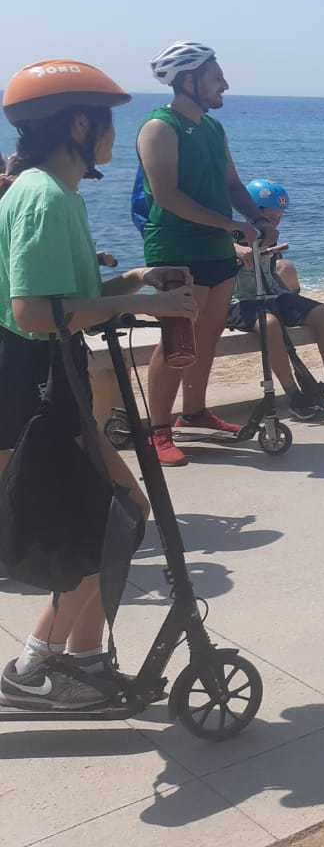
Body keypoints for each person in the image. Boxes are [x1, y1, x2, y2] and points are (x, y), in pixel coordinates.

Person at [0, 60, 198, 710]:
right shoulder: (44, 197)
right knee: (118, 515)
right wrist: (139, 304)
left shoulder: (51, 192)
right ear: (79, 126)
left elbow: (68, 296)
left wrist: (133, 281)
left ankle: (83, 659)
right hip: (43, 381)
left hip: (54, 375)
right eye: (108, 123)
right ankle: (34, 667)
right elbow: (33, 311)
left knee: (107, 518)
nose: (116, 136)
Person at [136, 42, 274, 467]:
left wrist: (257, 218)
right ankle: (158, 430)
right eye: (216, 78)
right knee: (178, 340)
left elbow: (232, 184)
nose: (224, 85)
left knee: (208, 335)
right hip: (176, 248)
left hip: (215, 248)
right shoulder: (159, 128)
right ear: (188, 81)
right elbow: (167, 196)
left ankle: (194, 411)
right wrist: (231, 225)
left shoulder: (213, 129)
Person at [225, 179, 324, 418]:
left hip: (272, 294)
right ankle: (294, 394)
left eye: (279, 216)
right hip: (240, 301)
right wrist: (237, 250)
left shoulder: (269, 234)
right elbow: (219, 248)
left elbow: (271, 272)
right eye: (271, 216)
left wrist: (288, 295)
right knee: (270, 325)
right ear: (253, 211)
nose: (275, 221)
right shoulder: (231, 232)